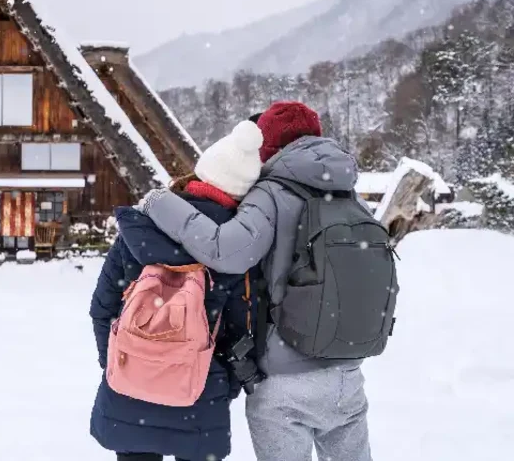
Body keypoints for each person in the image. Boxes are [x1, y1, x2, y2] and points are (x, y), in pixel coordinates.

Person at [137, 102, 374, 461]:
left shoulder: (273, 192)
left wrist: (160, 203)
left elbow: (225, 250)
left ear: (268, 147)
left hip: (285, 376)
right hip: (346, 372)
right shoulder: (349, 193)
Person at [89, 120, 264, 461]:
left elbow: (102, 308)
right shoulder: (236, 247)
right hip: (197, 395)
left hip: (129, 384)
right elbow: (244, 328)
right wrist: (219, 385)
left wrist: (118, 363)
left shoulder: (138, 228)